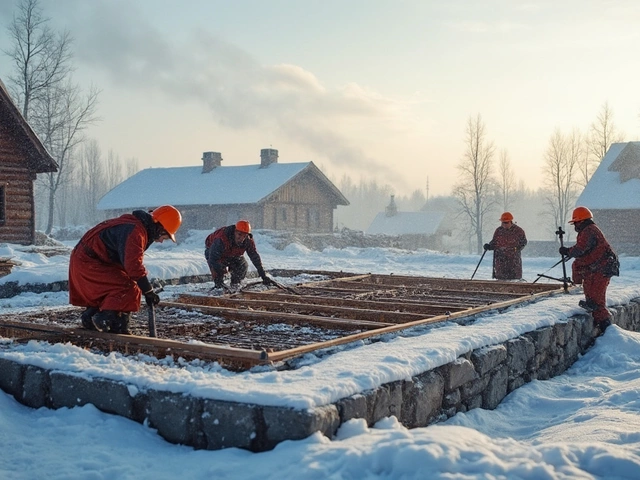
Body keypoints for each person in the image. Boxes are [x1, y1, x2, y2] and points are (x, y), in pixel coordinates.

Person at [69, 205, 182, 334]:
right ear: (158, 227)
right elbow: (133, 266)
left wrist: (144, 285)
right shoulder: (136, 232)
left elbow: (129, 263)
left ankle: (92, 317)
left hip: (87, 258)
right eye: (164, 236)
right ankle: (105, 319)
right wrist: (148, 291)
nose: (161, 241)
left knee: (118, 285)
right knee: (128, 287)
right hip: (89, 261)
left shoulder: (135, 226)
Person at [559, 206, 619, 334]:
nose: (575, 226)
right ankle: (602, 326)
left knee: (597, 301)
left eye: (575, 223)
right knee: (592, 299)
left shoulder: (588, 231)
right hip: (598, 269)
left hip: (601, 269)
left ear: (580, 221)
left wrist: (567, 251)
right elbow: (585, 252)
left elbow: (580, 249)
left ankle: (608, 331)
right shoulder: (590, 230)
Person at [204, 220, 272, 289]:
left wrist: (263, 276)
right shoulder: (221, 239)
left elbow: (255, 257)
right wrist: (221, 273)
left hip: (232, 255)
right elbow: (213, 259)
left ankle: (235, 284)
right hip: (214, 254)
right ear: (234, 232)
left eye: (244, 236)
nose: (242, 239)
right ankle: (219, 285)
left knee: (243, 265)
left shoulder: (248, 241)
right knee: (218, 269)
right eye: (239, 234)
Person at [483, 212, 528, 280]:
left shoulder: (518, 231)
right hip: (500, 262)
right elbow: (495, 242)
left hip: (513, 261)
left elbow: (523, 242)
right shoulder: (498, 231)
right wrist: (489, 246)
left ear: (511, 222)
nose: (504, 224)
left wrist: (516, 249)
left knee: (514, 281)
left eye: (506, 223)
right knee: (501, 282)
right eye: (503, 222)